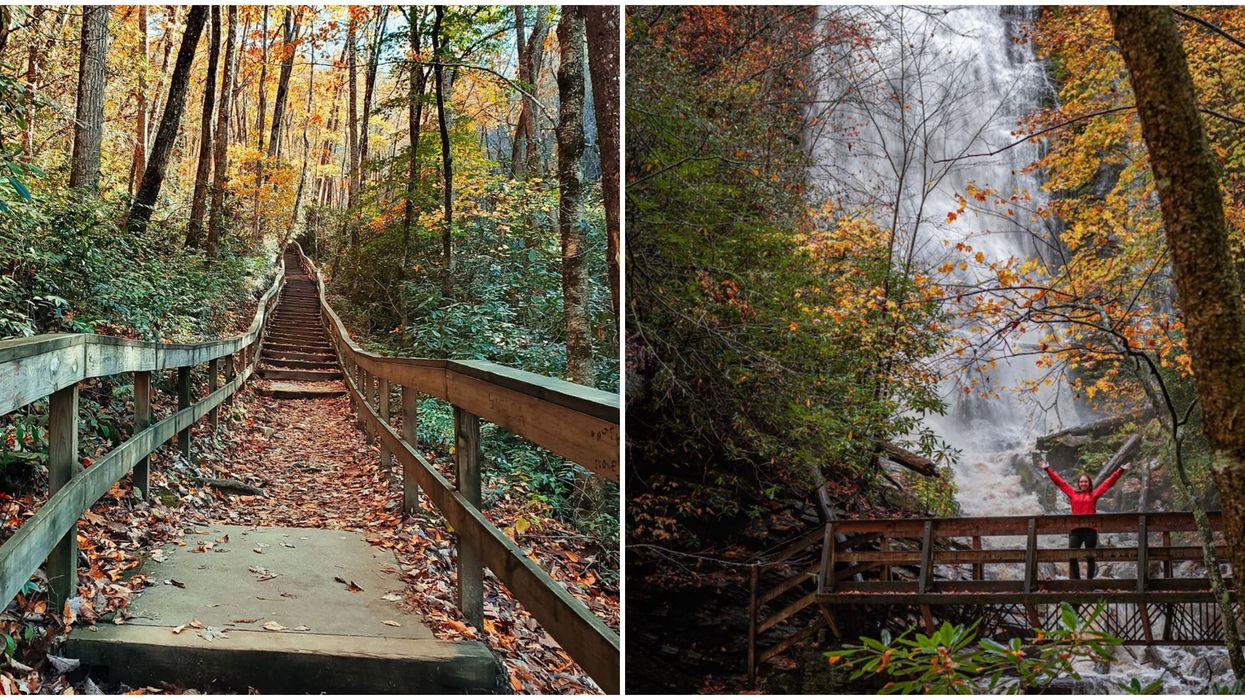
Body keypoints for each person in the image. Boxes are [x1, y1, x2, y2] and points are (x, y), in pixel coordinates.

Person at [1039, 460, 1130, 579]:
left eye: (1085, 481)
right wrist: (1047, 469)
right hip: (1076, 530)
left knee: (1090, 557)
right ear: (1078, 483)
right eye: (1081, 481)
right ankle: (1077, 581)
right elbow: (1060, 483)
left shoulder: (1094, 494)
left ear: (1089, 483)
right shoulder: (1072, 493)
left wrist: (1121, 470)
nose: (1083, 483)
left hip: (1090, 530)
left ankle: (1089, 582)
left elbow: (1108, 483)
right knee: (1072, 556)